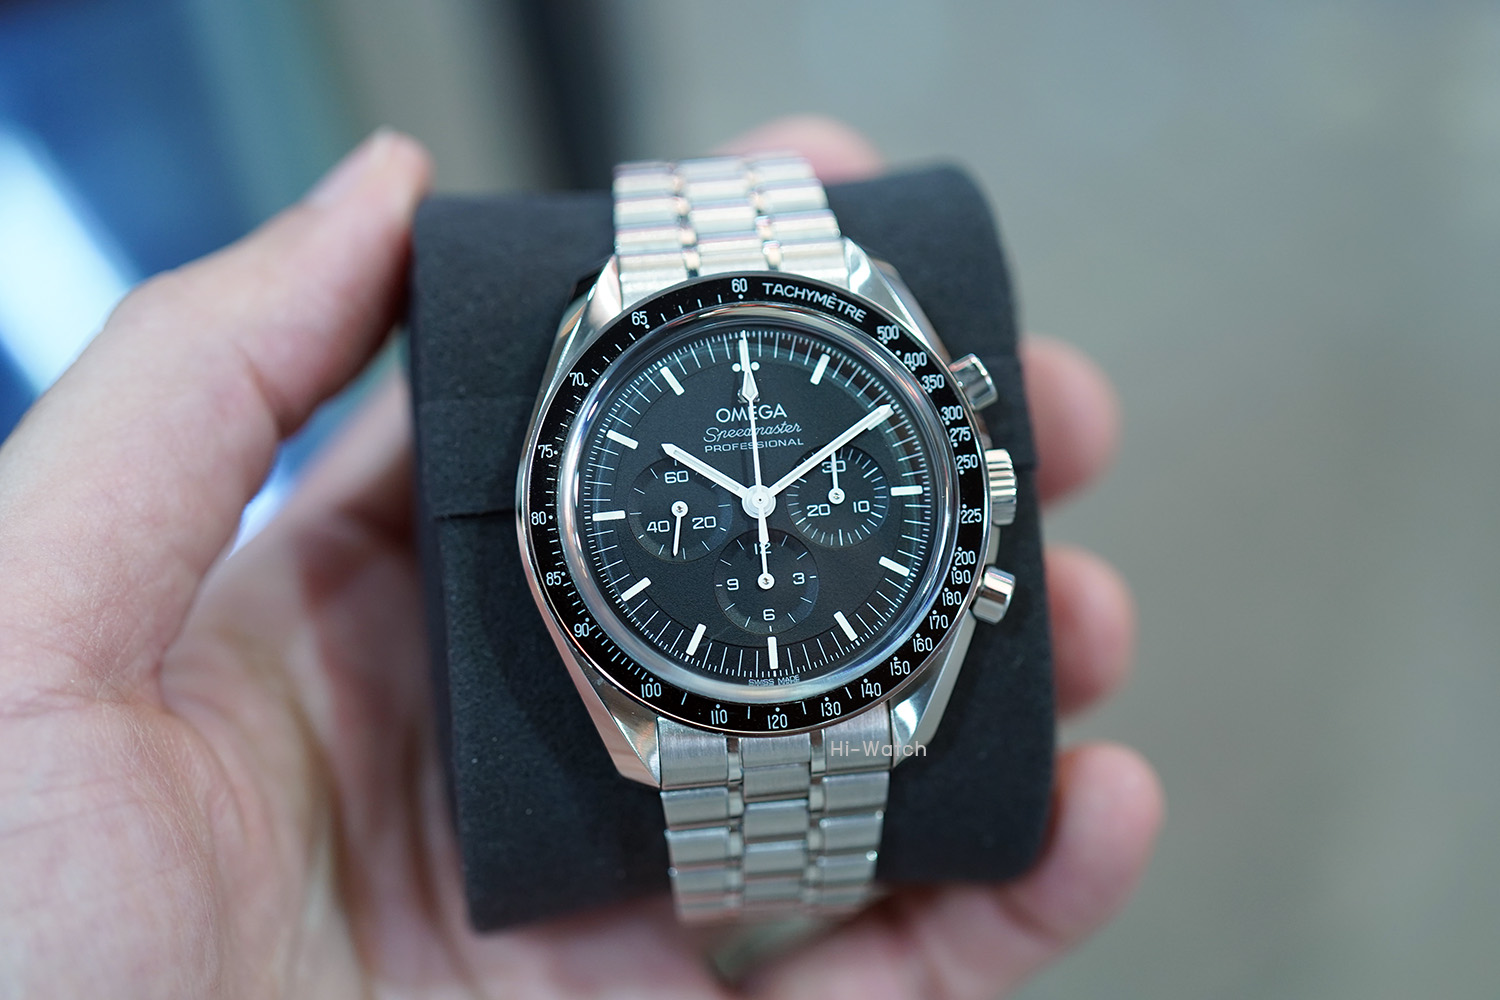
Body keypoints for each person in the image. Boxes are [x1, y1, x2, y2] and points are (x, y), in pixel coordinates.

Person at [0, 117, 1162, 998]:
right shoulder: (603, 426)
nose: (763, 503)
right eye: (740, 493)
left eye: (782, 492)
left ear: (973, 473)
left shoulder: (884, 375)